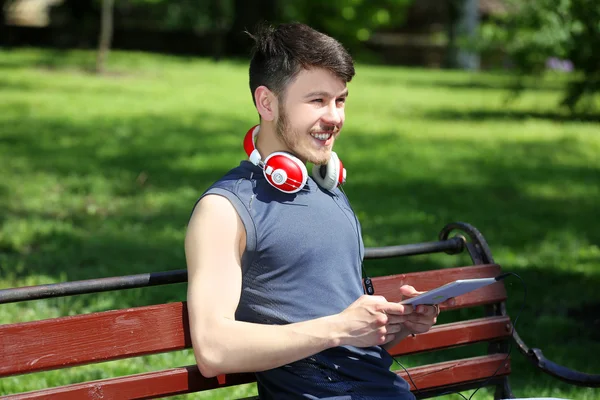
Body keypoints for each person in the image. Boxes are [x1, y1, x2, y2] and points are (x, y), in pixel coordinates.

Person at [185, 22, 453, 399]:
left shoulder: (327, 190)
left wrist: (394, 325)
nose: (335, 117)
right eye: (317, 101)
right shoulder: (224, 210)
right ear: (267, 103)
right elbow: (213, 350)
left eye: (340, 100)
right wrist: (341, 327)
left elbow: (339, 343)